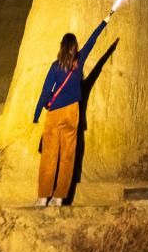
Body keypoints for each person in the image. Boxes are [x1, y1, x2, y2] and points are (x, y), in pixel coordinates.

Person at [33, 11, 111, 206]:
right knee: (68, 156)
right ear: (74, 47)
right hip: (73, 113)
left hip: (55, 114)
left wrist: (36, 114)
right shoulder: (79, 61)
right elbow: (93, 40)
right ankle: (59, 198)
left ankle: (44, 197)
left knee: (49, 155)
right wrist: (105, 21)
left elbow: (45, 92)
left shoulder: (55, 66)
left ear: (61, 47)